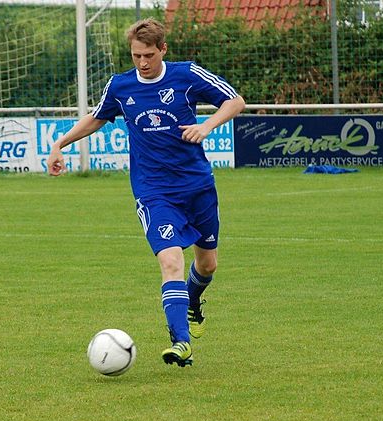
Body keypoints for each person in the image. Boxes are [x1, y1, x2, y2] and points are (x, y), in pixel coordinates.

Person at [47, 18, 245, 368]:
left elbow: (235, 101)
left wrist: (206, 126)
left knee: (207, 263)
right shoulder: (121, 86)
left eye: (149, 55)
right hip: (154, 192)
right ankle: (181, 342)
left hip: (197, 185)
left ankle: (194, 302)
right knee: (170, 261)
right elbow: (96, 117)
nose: (142, 62)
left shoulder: (187, 75)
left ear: (163, 49)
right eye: (136, 55)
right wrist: (60, 142)